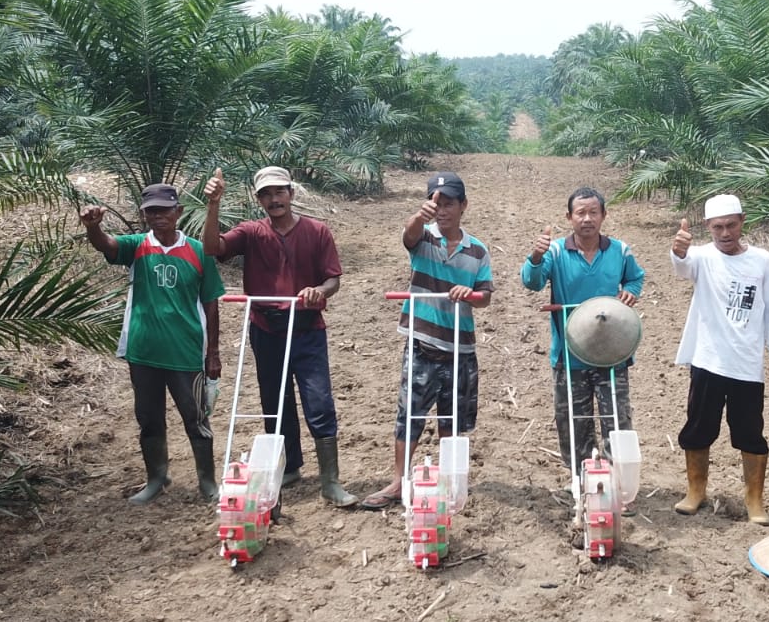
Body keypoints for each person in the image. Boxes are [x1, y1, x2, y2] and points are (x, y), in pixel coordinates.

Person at [203, 165, 359, 508]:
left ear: (291, 193)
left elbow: (333, 279)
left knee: (318, 400)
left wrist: (319, 291)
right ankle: (289, 467)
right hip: (266, 327)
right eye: (266, 194)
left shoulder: (317, 231)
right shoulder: (251, 232)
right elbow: (212, 248)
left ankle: (330, 480)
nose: (274, 200)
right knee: (275, 401)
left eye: (279, 192)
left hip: (307, 329)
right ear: (258, 199)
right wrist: (213, 205)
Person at [80, 184, 224, 503]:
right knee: (149, 418)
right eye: (151, 211)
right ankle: (156, 478)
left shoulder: (199, 251)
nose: (158, 217)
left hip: (186, 352)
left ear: (178, 212)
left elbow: (212, 302)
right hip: (144, 352)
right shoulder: (136, 247)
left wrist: (213, 353)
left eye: (164, 210)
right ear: (144, 215)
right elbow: (106, 244)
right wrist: (94, 226)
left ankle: (208, 482)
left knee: (196, 417)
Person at [360, 170, 495, 510]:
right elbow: (408, 236)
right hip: (422, 342)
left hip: (460, 347)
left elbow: (486, 295)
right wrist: (418, 218)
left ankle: (450, 480)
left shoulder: (477, 251)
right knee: (410, 413)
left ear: (463, 206)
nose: (443, 210)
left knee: (452, 417)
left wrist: (471, 295)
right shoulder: (423, 239)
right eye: (436, 204)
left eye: (449, 203)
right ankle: (399, 480)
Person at [669, 194, 769, 526]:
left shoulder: (762, 261)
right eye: (717, 227)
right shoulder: (701, 257)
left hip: (746, 364)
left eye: (731, 225)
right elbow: (682, 267)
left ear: (742, 222)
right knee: (698, 427)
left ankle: (754, 499)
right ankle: (695, 492)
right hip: (708, 361)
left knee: (750, 431)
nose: (724, 233)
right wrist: (678, 251)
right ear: (708, 227)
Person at [520, 186, 645, 474]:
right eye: (580, 213)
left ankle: (619, 481)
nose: (587, 218)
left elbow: (636, 277)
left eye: (593, 212)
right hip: (570, 352)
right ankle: (580, 479)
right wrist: (535, 258)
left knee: (617, 417)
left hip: (612, 351)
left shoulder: (619, 251)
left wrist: (630, 291)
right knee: (573, 418)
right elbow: (533, 282)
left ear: (603, 216)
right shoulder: (556, 252)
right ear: (569, 217)